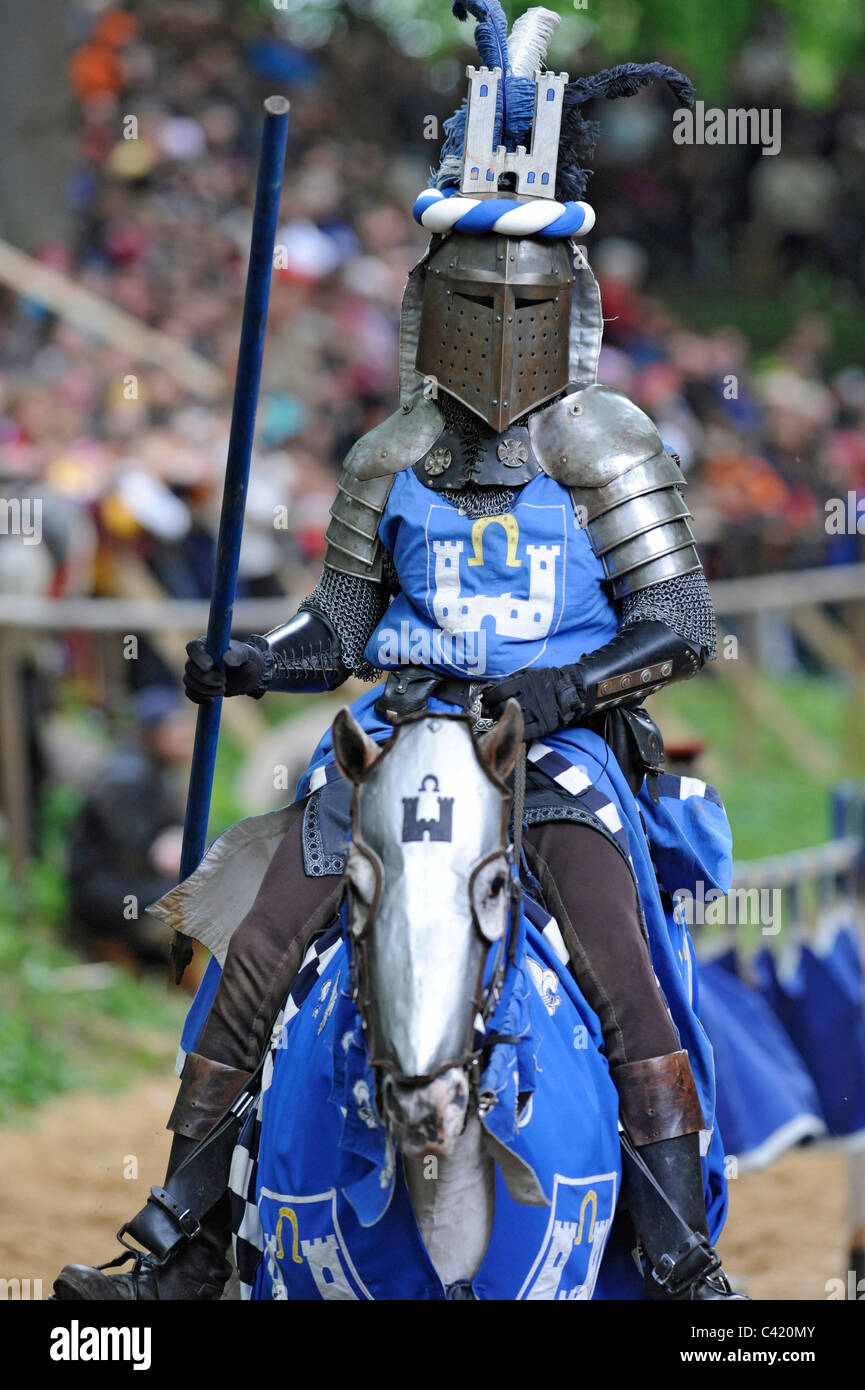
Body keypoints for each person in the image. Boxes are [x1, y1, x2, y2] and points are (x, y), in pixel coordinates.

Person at [54, 2, 741, 1302]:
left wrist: (564, 688)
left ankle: (672, 1252)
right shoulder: (388, 451)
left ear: (561, 301)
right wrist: (257, 663)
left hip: (557, 753)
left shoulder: (606, 443)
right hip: (393, 743)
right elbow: (344, 633)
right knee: (250, 952)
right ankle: (190, 1232)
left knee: (624, 971)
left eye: (514, 295)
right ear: (431, 299)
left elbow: (683, 624)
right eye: (467, 293)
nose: (491, 320)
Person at [67, 686, 190, 968]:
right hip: (104, 892)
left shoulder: (156, 769)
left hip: (129, 881)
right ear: (152, 733)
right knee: (192, 894)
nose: (185, 735)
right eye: (176, 727)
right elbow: (137, 851)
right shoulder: (123, 778)